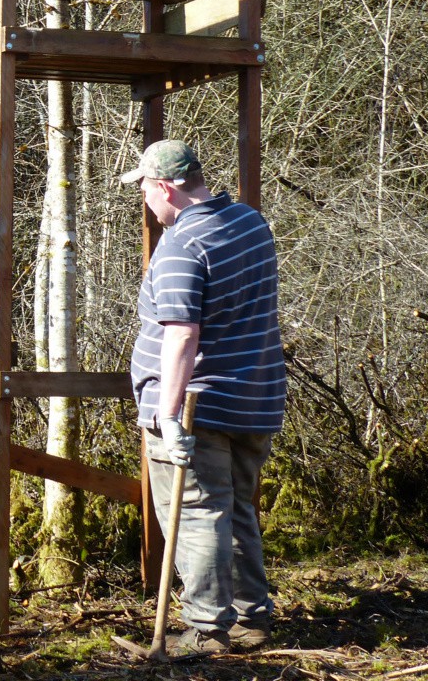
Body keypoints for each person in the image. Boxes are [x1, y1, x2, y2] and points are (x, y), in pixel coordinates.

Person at [122, 139, 286, 656]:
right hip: (254, 397)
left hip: (199, 405)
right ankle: (250, 618)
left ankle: (208, 628)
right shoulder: (249, 223)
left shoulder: (182, 246)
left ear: (167, 187)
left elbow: (181, 337)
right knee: (237, 508)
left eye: (146, 189)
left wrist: (168, 418)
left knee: (198, 512)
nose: (146, 200)